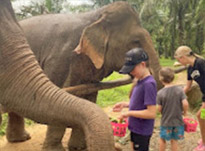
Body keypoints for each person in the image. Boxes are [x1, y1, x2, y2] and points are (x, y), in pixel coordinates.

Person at [112, 48, 157, 151]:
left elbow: (151, 113)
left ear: (142, 64)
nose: (131, 72)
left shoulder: (149, 84)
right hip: (135, 128)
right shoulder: (140, 81)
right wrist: (125, 104)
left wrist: (129, 113)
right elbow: (142, 103)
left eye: (133, 69)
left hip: (142, 130)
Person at [174, 45, 205, 151]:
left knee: (201, 116)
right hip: (204, 96)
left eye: (178, 59)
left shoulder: (200, 63)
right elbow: (187, 87)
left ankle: (204, 144)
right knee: (202, 117)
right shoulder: (190, 69)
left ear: (183, 57)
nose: (179, 62)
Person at [157, 67, 189, 151]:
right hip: (178, 121)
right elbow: (185, 103)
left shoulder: (160, 93)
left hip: (166, 121)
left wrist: (161, 112)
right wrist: (185, 113)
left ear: (161, 78)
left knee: (162, 139)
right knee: (174, 140)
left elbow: (159, 109)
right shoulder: (180, 90)